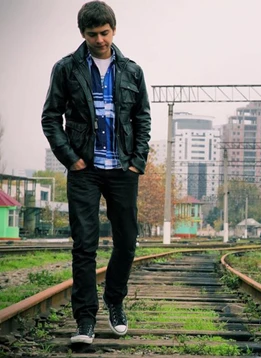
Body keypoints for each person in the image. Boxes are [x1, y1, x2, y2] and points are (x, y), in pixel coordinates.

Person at [41, 1, 151, 345]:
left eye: (105, 33)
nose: (100, 40)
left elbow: (142, 119)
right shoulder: (66, 68)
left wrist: (137, 161)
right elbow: (50, 117)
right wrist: (71, 159)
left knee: (127, 243)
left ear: (113, 30)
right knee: (84, 246)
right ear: (83, 34)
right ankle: (85, 320)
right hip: (84, 169)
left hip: (122, 168)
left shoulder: (132, 71)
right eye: (93, 34)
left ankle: (115, 300)